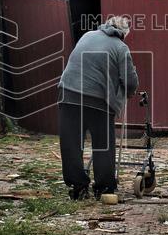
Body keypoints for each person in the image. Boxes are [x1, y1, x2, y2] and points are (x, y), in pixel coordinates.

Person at [57, 15, 138, 199]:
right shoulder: (120, 47)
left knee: (71, 144)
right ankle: (104, 188)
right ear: (124, 33)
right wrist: (130, 92)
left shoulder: (87, 35)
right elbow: (130, 80)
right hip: (98, 100)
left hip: (67, 94)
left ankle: (78, 188)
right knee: (103, 145)